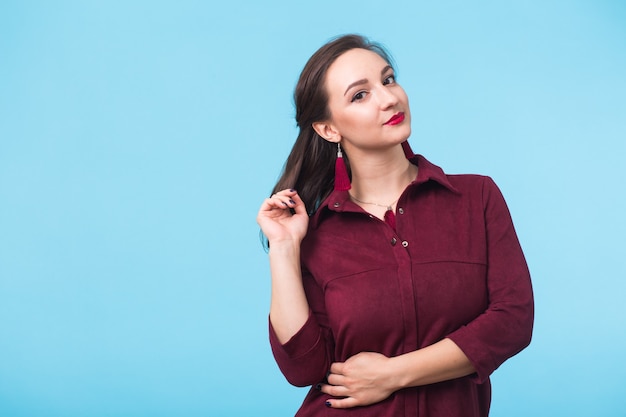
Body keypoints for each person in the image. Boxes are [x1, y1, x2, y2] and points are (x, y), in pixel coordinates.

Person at [256, 34, 533, 417]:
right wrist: (285, 249)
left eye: (387, 80)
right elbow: (303, 368)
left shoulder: (477, 198)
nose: (388, 98)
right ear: (328, 129)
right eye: (360, 95)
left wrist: (392, 374)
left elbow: (513, 320)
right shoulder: (318, 235)